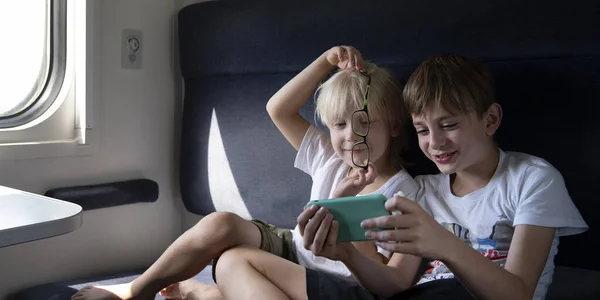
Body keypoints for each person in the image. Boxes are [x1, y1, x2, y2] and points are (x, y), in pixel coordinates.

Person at [212, 53, 588, 300]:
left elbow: (518, 294)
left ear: (490, 119)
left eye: (450, 125)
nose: (435, 142)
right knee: (232, 261)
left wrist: (443, 244)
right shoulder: (422, 192)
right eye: (423, 130)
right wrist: (346, 247)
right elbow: (391, 285)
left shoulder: (531, 179)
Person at [71, 46, 418, 300]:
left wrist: (343, 210)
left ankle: (205, 295)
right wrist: (326, 62)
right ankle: (138, 291)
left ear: (394, 126)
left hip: (340, 280)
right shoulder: (328, 156)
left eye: (364, 123)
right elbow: (278, 109)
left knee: (233, 263)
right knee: (220, 224)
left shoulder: (404, 194)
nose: (349, 136)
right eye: (338, 125)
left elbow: (382, 273)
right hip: (293, 251)